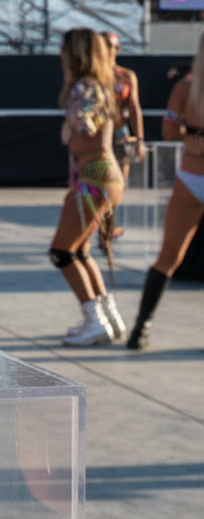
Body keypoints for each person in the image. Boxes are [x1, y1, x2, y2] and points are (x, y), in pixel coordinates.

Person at [46, 28, 128, 347]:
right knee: (78, 250)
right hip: (99, 173)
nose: (61, 55)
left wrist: (78, 116)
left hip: (95, 174)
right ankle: (106, 317)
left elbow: (84, 125)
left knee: (62, 252)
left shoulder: (85, 87)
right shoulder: (100, 86)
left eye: (65, 50)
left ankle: (96, 320)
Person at [128, 34, 204, 349]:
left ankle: (140, 330)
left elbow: (169, 130)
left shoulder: (187, 88)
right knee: (168, 256)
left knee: (168, 257)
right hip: (190, 176)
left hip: (191, 176)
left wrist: (191, 134)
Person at [104, 31, 144, 192]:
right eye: (105, 46)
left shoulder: (126, 76)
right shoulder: (91, 77)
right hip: (97, 133)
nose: (109, 50)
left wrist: (139, 139)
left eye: (113, 46)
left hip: (120, 132)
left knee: (119, 182)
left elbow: (134, 107)